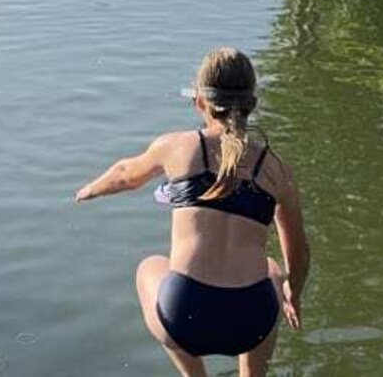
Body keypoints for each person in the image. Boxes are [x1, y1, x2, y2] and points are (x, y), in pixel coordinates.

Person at [75, 48, 310, 377]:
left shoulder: (178, 147)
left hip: (184, 318)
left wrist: (89, 190)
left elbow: (126, 174)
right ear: (252, 105)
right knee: (272, 270)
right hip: (250, 323)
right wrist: (292, 294)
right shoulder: (276, 169)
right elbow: (298, 255)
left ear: (199, 102)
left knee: (149, 267)